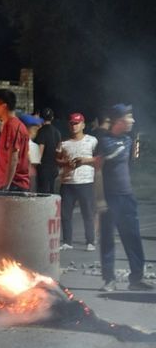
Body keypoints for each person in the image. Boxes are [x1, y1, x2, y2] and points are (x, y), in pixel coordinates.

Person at [96, 104, 153, 292]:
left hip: (127, 197)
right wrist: (100, 199)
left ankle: (136, 278)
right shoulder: (104, 142)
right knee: (107, 239)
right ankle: (109, 280)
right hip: (110, 198)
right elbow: (98, 171)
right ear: (119, 120)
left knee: (133, 238)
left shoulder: (128, 140)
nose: (133, 120)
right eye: (129, 117)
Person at [56, 113, 97, 251]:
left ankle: (90, 241)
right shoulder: (63, 143)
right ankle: (67, 241)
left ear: (83, 125)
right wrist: (66, 162)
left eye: (77, 123)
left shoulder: (92, 141)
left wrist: (85, 160)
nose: (74, 126)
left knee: (88, 213)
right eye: (72, 123)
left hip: (85, 182)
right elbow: (57, 159)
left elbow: (100, 158)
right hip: (67, 183)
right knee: (65, 214)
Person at [0, 89, 30, 192]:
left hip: (13, 185)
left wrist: (6, 186)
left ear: (3, 106)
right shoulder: (15, 125)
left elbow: (13, 158)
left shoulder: (11, 126)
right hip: (13, 184)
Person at [34, 107, 62, 193]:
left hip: (44, 168)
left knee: (43, 194)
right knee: (52, 192)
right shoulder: (57, 132)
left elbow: (40, 150)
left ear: (41, 118)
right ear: (52, 118)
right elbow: (59, 149)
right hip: (54, 167)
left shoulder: (41, 131)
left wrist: (34, 164)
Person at [18, 114, 43, 192]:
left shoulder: (15, 144)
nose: (36, 132)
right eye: (34, 129)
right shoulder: (33, 146)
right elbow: (34, 164)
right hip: (28, 179)